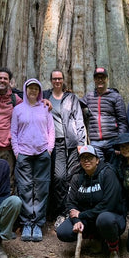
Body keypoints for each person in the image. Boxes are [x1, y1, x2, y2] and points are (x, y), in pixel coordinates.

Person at [56, 145, 126, 258]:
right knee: (63, 232)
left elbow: (108, 205)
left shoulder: (108, 173)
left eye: (90, 157)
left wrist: (82, 214)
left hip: (112, 218)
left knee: (104, 218)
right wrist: (77, 219)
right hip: (88, 219)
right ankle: (96, 237)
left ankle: (113, 250)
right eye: (83, 158)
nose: (86, 161)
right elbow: (71, 203)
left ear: (97, 160)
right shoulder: (77, 177)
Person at [11, 78, 55, 242]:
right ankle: (27, 223)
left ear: (39, 91)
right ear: (25, 90)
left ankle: (38, 223)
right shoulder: (18, 109)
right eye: (30, 88)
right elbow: (13, 133)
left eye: (36, 89)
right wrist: (17, 152)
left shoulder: (45, 108)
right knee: (25, 189)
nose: (33, 91)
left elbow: (51, 131)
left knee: (42, 189)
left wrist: (49, 150)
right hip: (24, 154)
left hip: (42, 153)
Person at [43, 69, 86, 227]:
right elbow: (27, 95)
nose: (57, 81)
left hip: (73, 143)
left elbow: (79, 119)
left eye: (60, 78)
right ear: (51, 80)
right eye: (54, 79)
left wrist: (82, 143)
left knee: (72, 177)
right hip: (56, 143)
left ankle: (70, 210)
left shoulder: (71, 98)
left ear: (63, 80)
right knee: (60, 177)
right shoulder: (45, 96)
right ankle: (60, 212)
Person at [80, 67, 127, 161]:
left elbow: (122, 120)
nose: (100, 80)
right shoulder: (88, 97)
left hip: (112, 141)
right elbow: (76, 105)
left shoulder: (116, 97)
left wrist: (120, 142)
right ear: (94, 80)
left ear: (107, 79)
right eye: (97, 78)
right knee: (98, 169)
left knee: (114, 169)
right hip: (95, 142)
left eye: (103, 77)